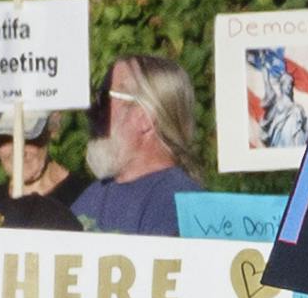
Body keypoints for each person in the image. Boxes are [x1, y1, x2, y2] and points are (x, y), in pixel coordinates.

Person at [70, 54, 209, 237]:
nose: (93, 112)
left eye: (105, 98)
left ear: (144, 117)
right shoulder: (95, 194)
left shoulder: (178, 207)